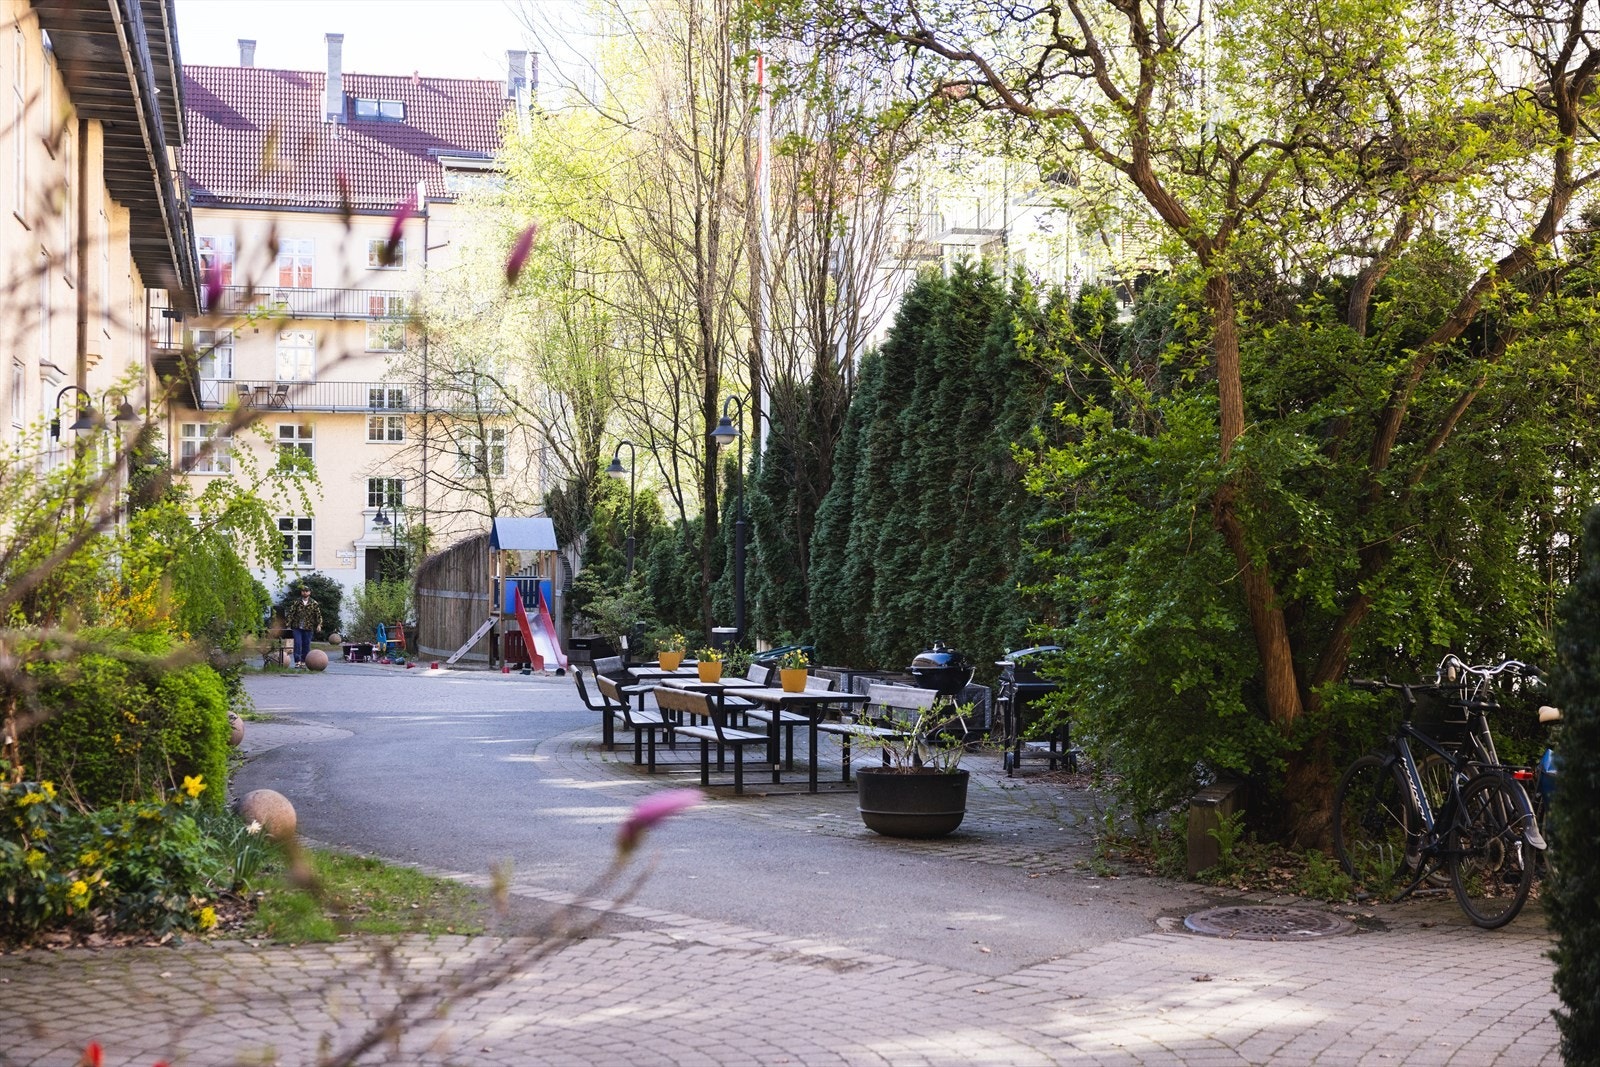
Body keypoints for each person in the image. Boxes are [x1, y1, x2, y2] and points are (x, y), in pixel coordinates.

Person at [285, 584, 322, 668]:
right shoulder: (297, 602)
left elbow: (318, 615)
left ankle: (304, 661)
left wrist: (319, 624)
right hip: (297, 626)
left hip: (308, 626)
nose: (305, 593)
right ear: (301, 592)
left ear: (309, 592)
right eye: (303, 591)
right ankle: (297, 661)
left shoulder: (314, 603)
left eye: (306, 591)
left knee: (306, 644)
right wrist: (288, 624)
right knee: (297, 643)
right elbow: (291, 613)